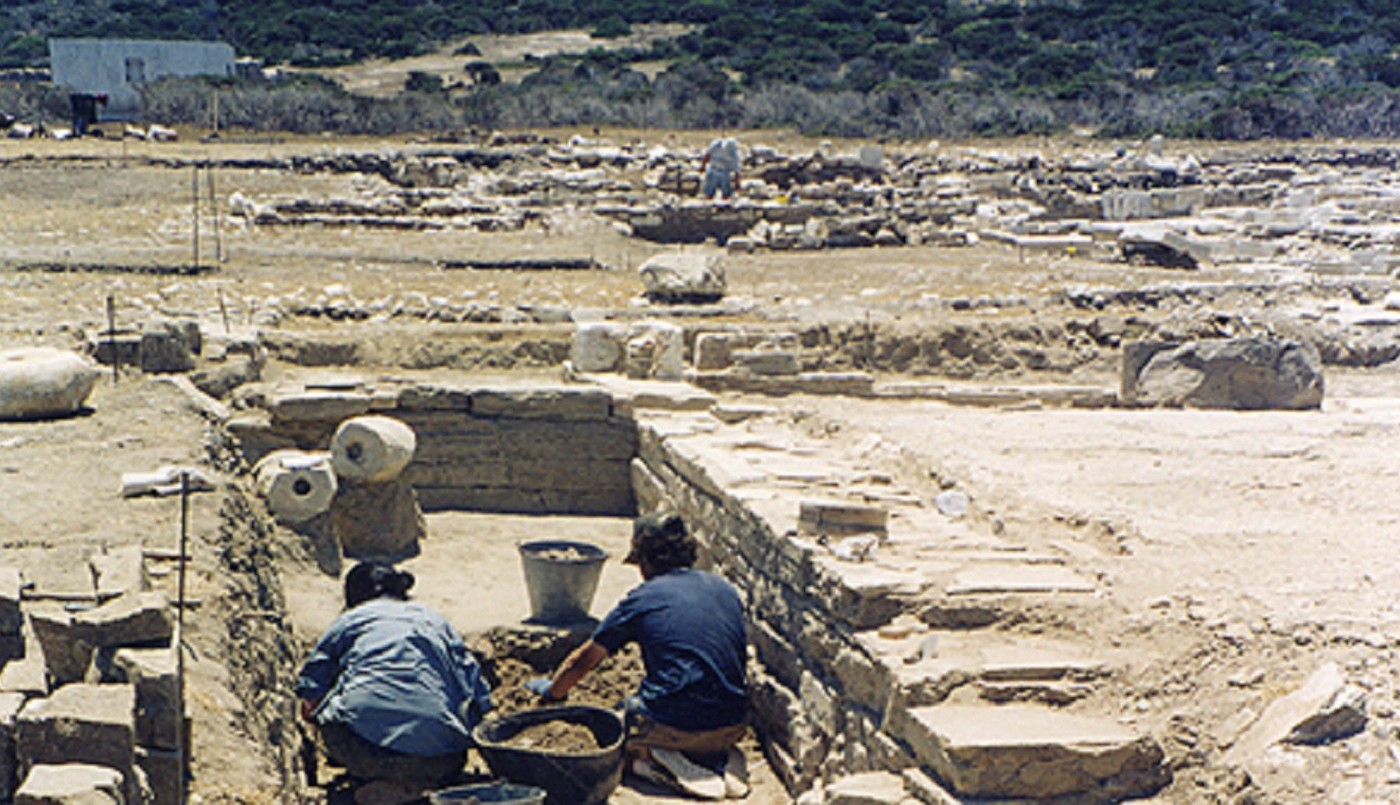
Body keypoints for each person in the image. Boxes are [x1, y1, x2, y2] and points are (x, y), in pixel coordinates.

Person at [527, 513, 749, 797]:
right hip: (733, 722)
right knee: (695, 707)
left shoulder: (643, 599)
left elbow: (581, 662)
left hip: (674, 726)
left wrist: (552, 695)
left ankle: (652, 761)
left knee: (612, 730)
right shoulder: (723, 589)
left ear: (645, 560)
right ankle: (718, 758)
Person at [296, 561, 492, 793]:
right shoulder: (435, 620)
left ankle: (385, 782)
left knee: (330, 707)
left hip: (366, 756)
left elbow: (311, 693)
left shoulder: (349, 621)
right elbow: (481, 697)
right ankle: (423, 784)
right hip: (444, 760)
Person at [700, 135, 742, 200]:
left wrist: (737, 184)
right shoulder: (716, 145)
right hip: (713, 169)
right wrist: (703, 166)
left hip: (725, 172)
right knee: (708, 192)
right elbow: (708, 155)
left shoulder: (734, 155)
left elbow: (737, 170)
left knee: (726, 193)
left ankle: (724, 205)